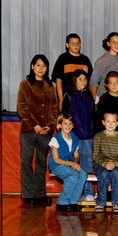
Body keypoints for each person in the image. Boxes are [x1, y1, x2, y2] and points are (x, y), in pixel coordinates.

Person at [17, 54, 58, 207]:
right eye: (38, 65)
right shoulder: (25, 84)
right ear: (32, 66)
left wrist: (51, 125)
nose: (41, 68)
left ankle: (39, 194)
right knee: (27, 162)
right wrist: (35, 125)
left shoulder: (50, 86)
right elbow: (22, 108)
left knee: (41, 163)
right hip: (28, 131)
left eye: (44, 66)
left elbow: (55, 108)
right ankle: (28, 195)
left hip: (45, 132)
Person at [62, 70, 95, 201]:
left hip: (88, 136)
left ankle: (88, 192)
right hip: (74, 137)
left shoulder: (89, 96)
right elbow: (64, 116)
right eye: (80, 79)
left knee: (87, 165)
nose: (83, 82)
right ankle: (72, 191)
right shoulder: (69, 96)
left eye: (85, 79)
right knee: (73, 164)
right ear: (74, 80)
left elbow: (94, 116)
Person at [48, 113, 88, 211]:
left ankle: (73, 201)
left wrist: (74, 162)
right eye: (65, 123)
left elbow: (76, 156)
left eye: (70, 123)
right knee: (74, 176)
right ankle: (62, 201)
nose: (68, 126)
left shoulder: (75, 138)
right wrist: (72, 164)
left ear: (73, 125)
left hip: (68, 164)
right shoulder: (55, 139)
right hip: (56, 165)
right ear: (59, 125)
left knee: (83, 174)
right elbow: (56, 159)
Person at [93, 112, 118, 213]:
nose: (110, 124)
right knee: (104, 174)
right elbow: (96, 155)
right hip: (100, 164)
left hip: (116, 164)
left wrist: (114, 164)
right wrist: (105, 164)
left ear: (117, 123)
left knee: (116, 173)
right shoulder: (98, 136)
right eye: (108, 121)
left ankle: (117, 202)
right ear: (103, 122)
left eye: (113, 122)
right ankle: (100, 202)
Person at [51, 33, 92, 111]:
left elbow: (89, 82)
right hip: (67, 98)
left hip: (82, 98)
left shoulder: (85, 60)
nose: (76, 45)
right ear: (67, 45)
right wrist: (60, 99)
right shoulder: (63, 58)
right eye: (73, 43)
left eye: (78, 43)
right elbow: (58, 81)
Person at [95, 71, 118, 152]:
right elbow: (98, 120)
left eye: (116, 83)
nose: (114, 85)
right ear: (107, 85)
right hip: (107, 136)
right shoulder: (104, 99)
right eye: (111, 83)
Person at [90, 32, 118, 101]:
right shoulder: (102, 60)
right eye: (114, 42)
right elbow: (93, 82)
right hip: (104, 99)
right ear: (108, 43)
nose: (117, 44)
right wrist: (95, 99)